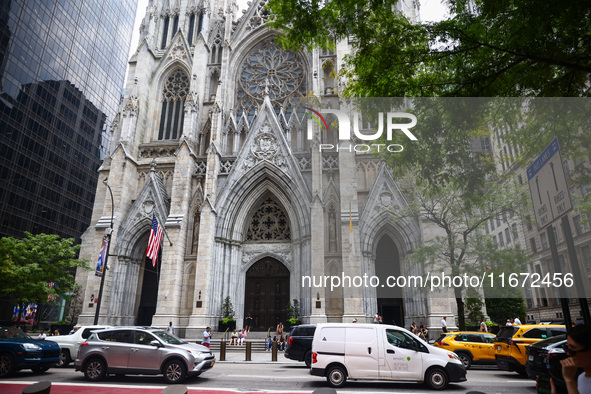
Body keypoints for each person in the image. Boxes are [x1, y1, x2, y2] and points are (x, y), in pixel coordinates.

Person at [551, 324, 591, 394]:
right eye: (567, 348)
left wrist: (569, 380)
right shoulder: (581, 377)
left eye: (573, 349)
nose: (568, 354)